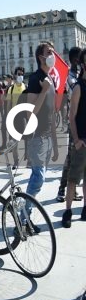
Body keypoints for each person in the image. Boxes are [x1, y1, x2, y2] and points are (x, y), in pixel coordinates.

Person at [24, 41, 59, 205]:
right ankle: (23, 217)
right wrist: (44, 91)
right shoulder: (36, 79)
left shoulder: (50, 79)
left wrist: (56, 145)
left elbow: (51, 114)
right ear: (41, 57)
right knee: (39, 177)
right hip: (35, 136)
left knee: (38, 177)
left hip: (47, 137)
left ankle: (25, 215)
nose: (53, 55)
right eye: (49, 52)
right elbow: (30, 112)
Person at [61, 49, 86, 227]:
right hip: (81, 141)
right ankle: (68, 211)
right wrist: (76, 140)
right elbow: (71, 116)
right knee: (73, 179)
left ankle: (85, 208)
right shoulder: (78, 87)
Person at [56, 47, 84, 202]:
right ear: (76, 60)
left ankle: (71, 191)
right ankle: (62, 189)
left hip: (81, 120)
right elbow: (74, 90)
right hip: (73, 121)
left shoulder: (78, 75)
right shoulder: (70, 76)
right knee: (71, 157)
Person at [6, 67, 28, 167]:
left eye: (21, 74)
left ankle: (29, 160)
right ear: (15, 75)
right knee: (15, 141)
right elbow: (8, 105)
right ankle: (16, 161)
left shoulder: (26, 87)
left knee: (28, 139)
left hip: (24, 116)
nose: (20, 76)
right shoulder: (11, 89)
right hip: (14, 117)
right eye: (18, 74)